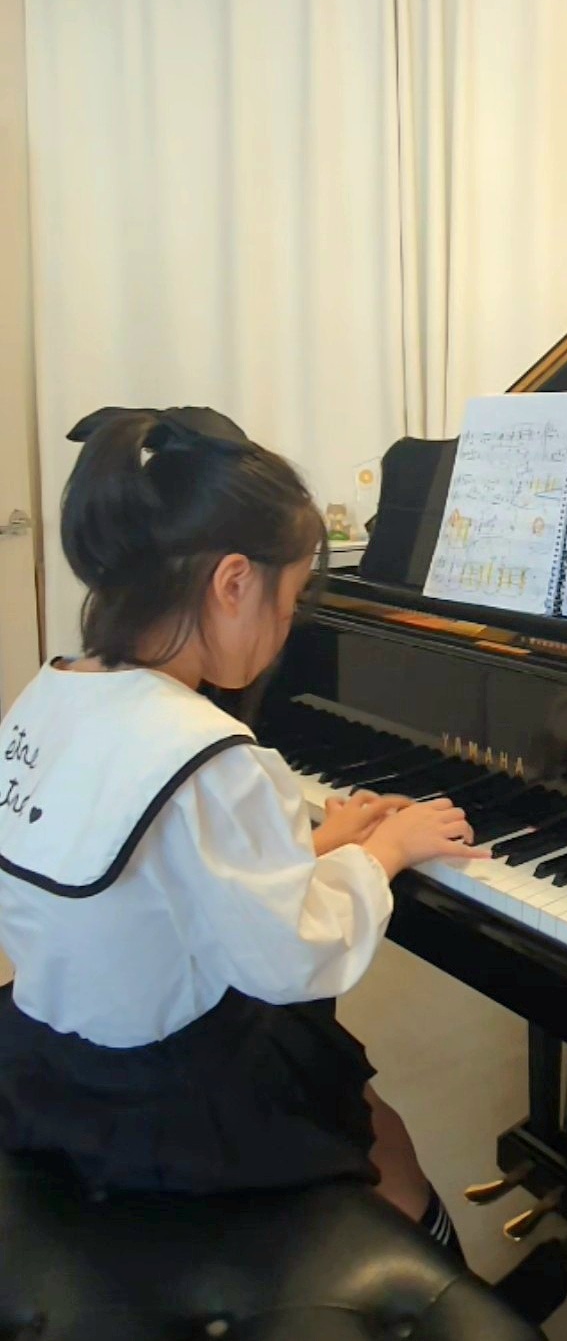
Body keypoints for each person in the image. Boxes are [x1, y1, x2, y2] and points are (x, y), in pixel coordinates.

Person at [0, 405, 483, 1258]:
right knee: (382, 1138)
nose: (287, 628)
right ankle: (450, 1275)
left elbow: (158, 874)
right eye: (290, 602)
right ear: (233, 582)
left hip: (55, 1057)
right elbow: (290, 959)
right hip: (170, 1092)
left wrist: (313, 845)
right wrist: (385, 850)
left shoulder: (52, 693)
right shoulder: (208, 755)